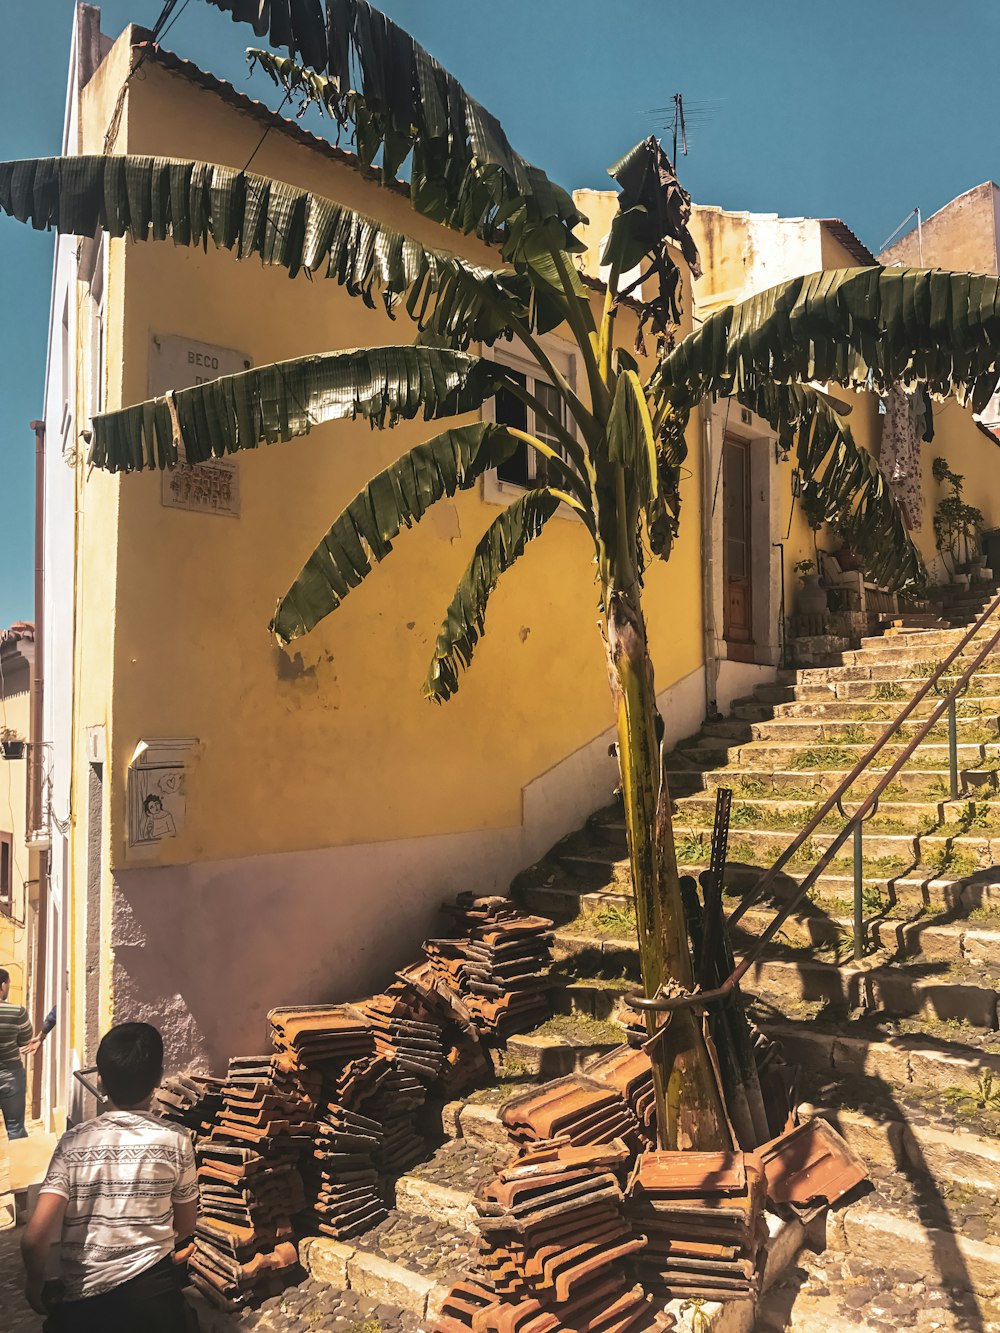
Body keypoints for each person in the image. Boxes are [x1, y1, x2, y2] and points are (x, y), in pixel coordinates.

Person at [20, 1022, 198, 1331]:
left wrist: (34, 1285)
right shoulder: (177, 1140)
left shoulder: (73, 1143)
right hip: (156, 1302)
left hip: (83, 1308)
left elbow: (34, 1240)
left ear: (100, 1082)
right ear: (157, 1079)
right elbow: (185, 1227)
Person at [0, 965, 33, 1139]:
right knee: (15, 1129)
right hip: (10, 1075)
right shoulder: (17, 1011)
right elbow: (25, 1039)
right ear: (3, 985)